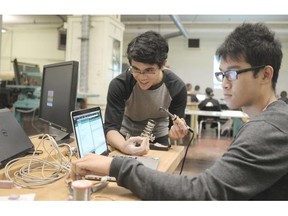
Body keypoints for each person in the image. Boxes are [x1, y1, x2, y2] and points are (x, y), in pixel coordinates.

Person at [70, 23, 288, 200]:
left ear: (266, 75)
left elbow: (202, 192)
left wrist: (116, 166)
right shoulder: (266, 122)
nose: (224, 84)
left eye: (232, 74)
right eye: (222, 75)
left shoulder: (267, 130)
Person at [104, 30, 189, 156]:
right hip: (124, 138)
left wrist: (175, 133)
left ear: (163, 64)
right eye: (136, 69)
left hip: (158, 138)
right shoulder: (120, 84)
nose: (142, 77)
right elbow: (110, 128)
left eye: (149, 70)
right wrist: (124, 146)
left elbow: (174, 126)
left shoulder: (177, 87)